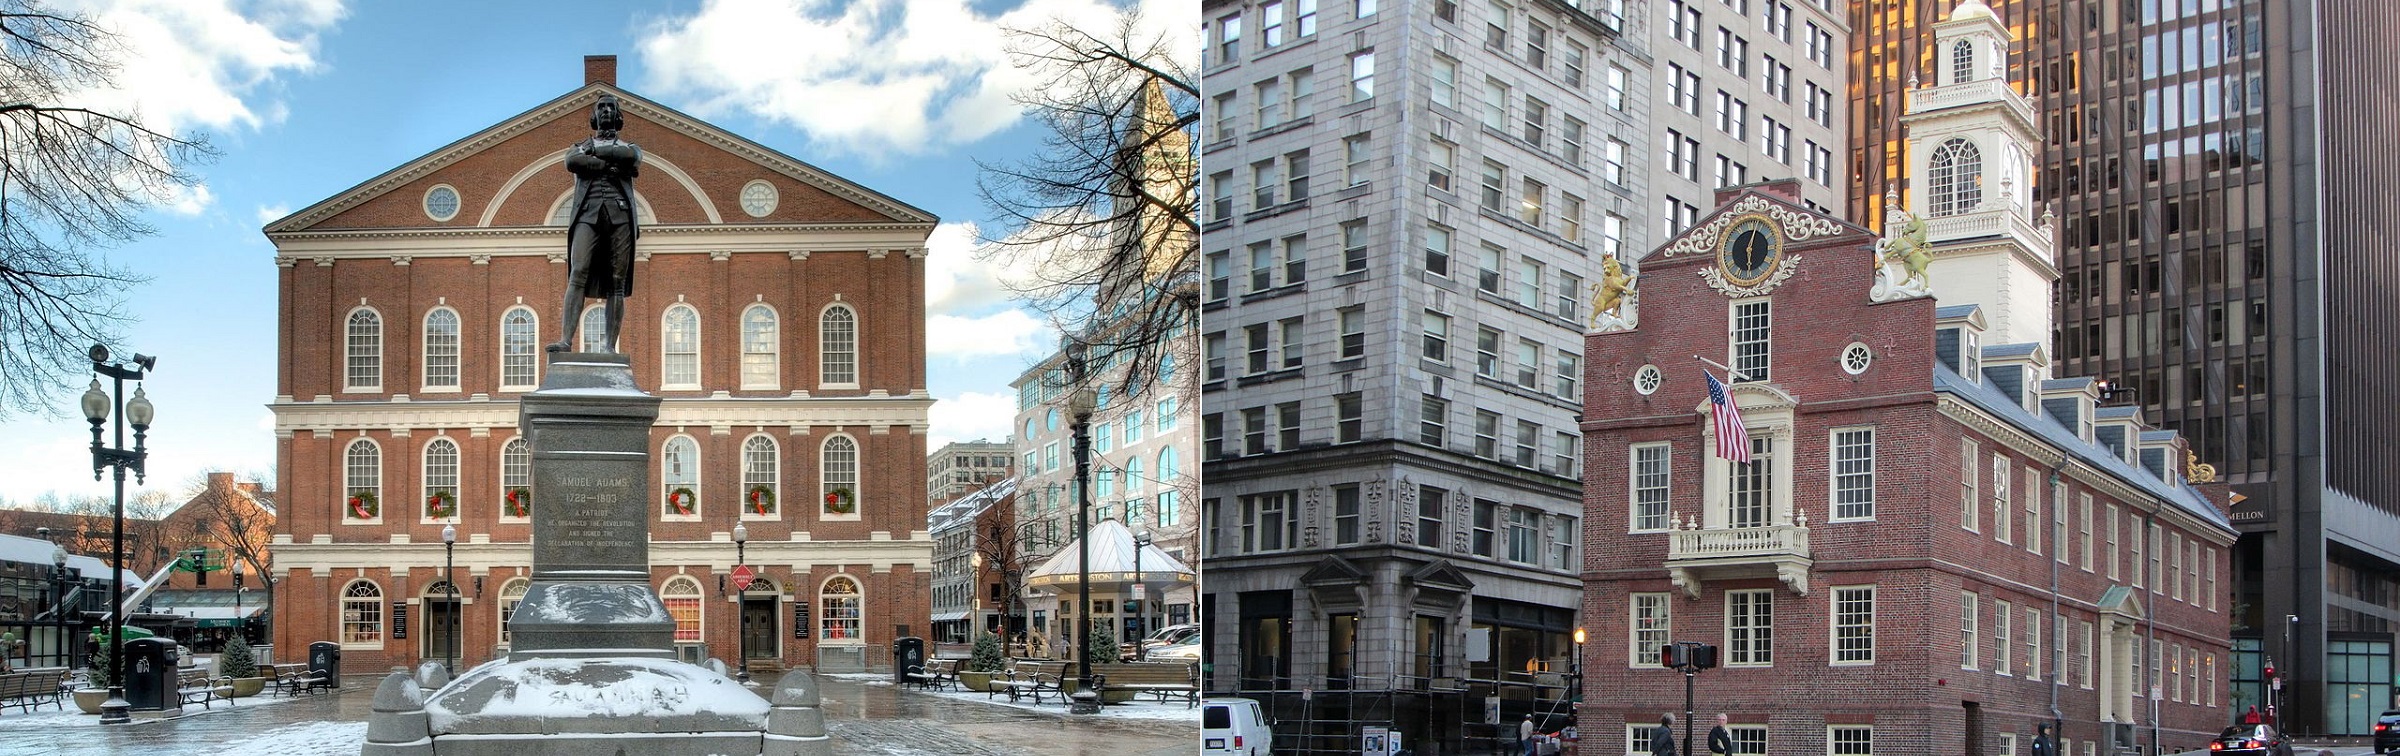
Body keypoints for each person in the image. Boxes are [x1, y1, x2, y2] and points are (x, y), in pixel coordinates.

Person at [548, 93, 643, 354]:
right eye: (601, 107)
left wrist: (597, 155)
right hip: (587, 215)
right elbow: (572, 161)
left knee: (617, 281)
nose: (606, 111)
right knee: (577, 272)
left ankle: (609, 348)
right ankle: (566, 341)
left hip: (620, 215)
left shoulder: (629, 146)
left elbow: (632, 158)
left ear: (618, 115)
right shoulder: (579, 146)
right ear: (594, 115)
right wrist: (610, 163)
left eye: (611, 108)